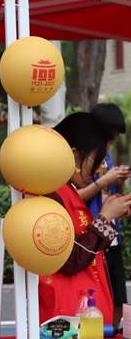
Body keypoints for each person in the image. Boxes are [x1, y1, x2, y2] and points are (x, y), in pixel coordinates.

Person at [39, 112, 131, 326]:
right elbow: (69, 259)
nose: (99, 169)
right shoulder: (51, 195)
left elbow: (88, 248)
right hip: (66, 321)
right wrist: (104, 218)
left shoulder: (66, 190)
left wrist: (109, 215)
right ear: (73, 155)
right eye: (95, 160)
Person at [77, 103, 131, 327]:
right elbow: (73, 197)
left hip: (112, 235)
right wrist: (103, 180)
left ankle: (117, 331)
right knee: (95, 296)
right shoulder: (79, 156)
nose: (110, 144)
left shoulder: (106, 156)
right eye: (109, 137)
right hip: (91, 237)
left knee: (119, 296)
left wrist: (119, 181)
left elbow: (112, 194)